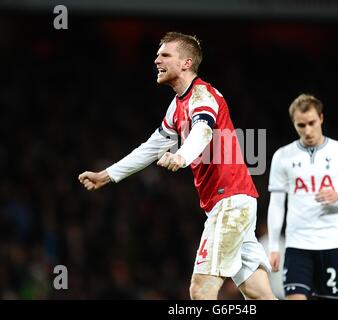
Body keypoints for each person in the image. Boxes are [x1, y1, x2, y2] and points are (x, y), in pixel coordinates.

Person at [78, 32, 275, 300]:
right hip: (231, 203)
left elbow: (203, 130)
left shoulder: (202, 95)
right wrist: (107, 175)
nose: (156, 59)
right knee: (258, 293)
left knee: (200, 289)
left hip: (230, 202)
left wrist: (182, 156)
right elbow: (152, 147)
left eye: (165, 54)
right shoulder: (177, 106)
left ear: (186, 62)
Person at [267, 94, 338, 300]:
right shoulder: (282, 156)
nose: (307, 131)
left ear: (321, 118)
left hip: (332, 243)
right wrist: (273, 247)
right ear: (294, 124)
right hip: (297, 246)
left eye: (312, 123)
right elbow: (277, 204)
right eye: (301, 125)